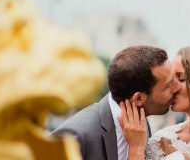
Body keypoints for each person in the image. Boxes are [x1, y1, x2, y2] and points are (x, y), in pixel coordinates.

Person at [52, 45, 180, 160]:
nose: (176, 88)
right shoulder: (73, 137)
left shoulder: (140, 122)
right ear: (139, 99)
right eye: (168, 86)